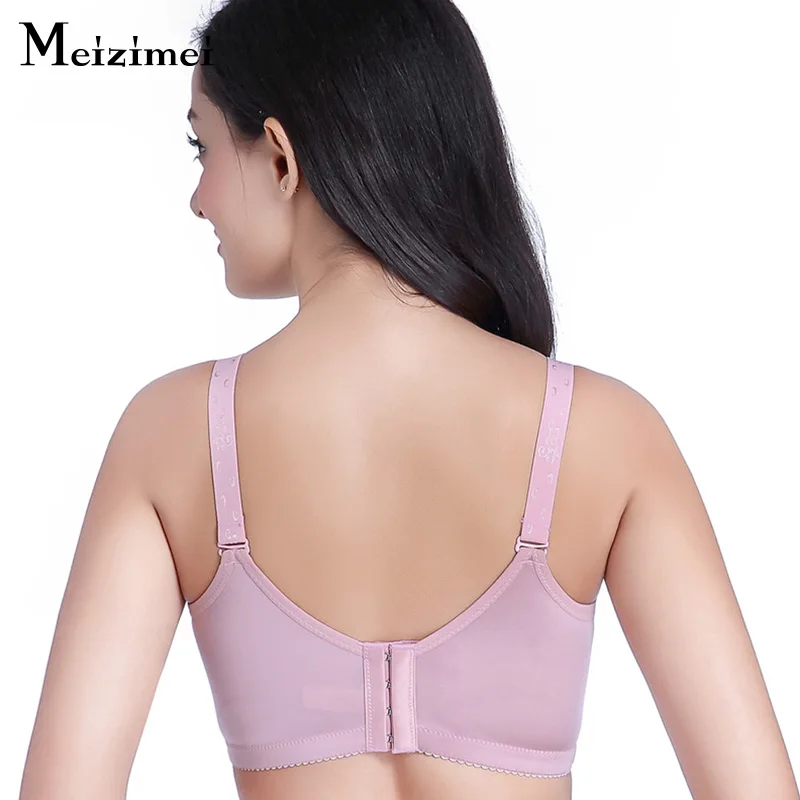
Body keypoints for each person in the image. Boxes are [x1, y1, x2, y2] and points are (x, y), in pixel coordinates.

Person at [18, 1, 799, 799]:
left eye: (203, 149)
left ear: (281, 158)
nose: (198, 198)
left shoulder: (172, 436)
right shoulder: (606, 434)